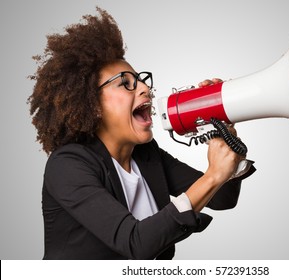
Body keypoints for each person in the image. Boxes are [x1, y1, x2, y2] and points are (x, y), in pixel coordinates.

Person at [28, 7, 255, 260]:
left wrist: (225, 135)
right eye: (126, 83)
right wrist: (213, 175)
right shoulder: (68, 165)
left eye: (141, 80)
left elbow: (222, 197)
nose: (145, 88)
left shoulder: (147, 155)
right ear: (92, 104)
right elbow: (136, 243)